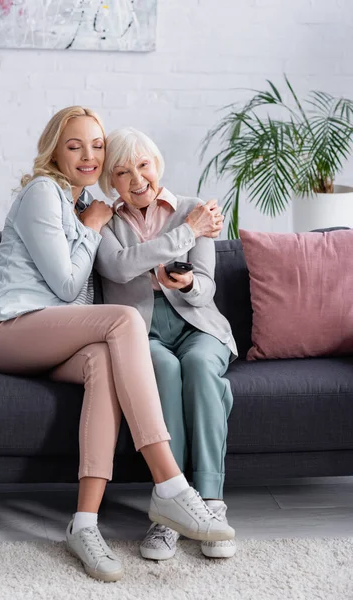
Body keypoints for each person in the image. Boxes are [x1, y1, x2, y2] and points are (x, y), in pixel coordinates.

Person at [0, 107, 235, 583]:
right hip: (9, 329)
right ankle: (170, 483)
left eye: (96, 145)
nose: (88, 154)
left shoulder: (85, 203)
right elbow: (69, 286)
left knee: (106, 363)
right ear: (55, 151)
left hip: (53, 335)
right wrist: (92, 226)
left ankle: (84, 523)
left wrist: (95, 220)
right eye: (75, 146)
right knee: (124, 321)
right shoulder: (43, 194)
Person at [95, 127, 238, 561]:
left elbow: (208, 288)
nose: (137, 179)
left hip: (198, 325)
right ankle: (169, 509)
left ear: (157, 165)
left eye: (143, 165)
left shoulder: (195, 210)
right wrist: (184, 235)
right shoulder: (107, 221)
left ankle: (210, 501)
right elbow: (119, 267)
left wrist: (190, 281)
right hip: (140, 331)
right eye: (122, 171)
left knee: (196, 366)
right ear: (111, 182)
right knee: (166, 369)